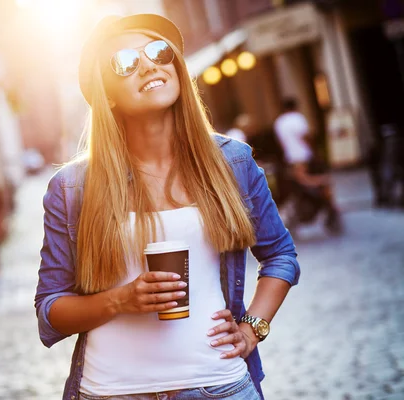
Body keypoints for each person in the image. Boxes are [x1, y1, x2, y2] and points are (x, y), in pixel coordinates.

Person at [35, 14, 300, 400]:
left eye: (158, 52)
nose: (148, 65)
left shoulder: (232, 162)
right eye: (125, 62)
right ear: (106, 93)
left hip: (219, 385)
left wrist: (252, 329)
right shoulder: (72, 187)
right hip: (110, 391)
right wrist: (120, 299)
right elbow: (50, 307)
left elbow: (280, 255)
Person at [273, 98, 342, 233]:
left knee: (301, 185)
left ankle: (315, 208)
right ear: (295, 107)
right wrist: (315, 152)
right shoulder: (298, 118)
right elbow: (305, 137)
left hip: (291, 158)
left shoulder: (279, 122)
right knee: (312, 182)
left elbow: (281, 143)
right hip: (303, 156)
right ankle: (326, 207)